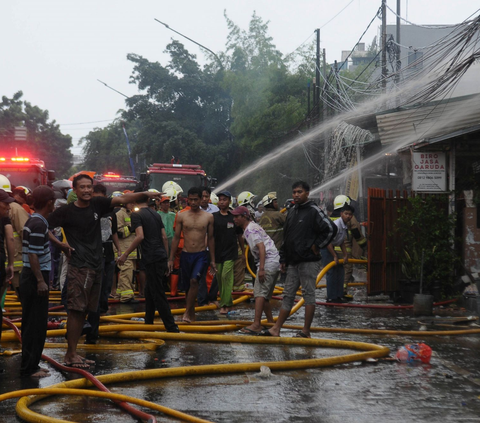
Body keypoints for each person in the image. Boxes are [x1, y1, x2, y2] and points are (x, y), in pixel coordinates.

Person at [47, 174, 161, 368]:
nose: (86, 190)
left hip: (96, 266)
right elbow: (45, 226)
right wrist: (61, 245)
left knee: (86, 311)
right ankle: (70, 354)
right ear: (74, 190)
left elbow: (123, 199)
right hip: (79, 267)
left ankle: (74, 352)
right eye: (82, 187)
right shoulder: (65, 211)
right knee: (75, 311)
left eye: (89, 187)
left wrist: (146, 193)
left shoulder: (97, 205)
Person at [259, 181, 337, 338]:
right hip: (293, 261)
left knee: (308, 295)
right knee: (288, 294)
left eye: (299, 192)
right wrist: (283, 259)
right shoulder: (292, 211)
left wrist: (317, 245)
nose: (296, 194)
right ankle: (276, 329)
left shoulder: (314, 210)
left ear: (307, 193)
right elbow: (286, 237)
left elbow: (330, 229)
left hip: (309, 261)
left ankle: (305, 331)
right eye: (294, 192)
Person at [118, 195, 179, 332]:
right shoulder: (156, 214)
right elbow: (164, 237)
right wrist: (167, 257)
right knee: (149, 290)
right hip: (159, 255)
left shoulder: (136, 215)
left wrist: (125, 254)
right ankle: (148, 321)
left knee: (158, 292)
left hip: (151, 256)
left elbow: (140, 236)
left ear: (134, 201)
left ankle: (171, 327)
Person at [19, 186, 56, 377]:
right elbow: (33, 254)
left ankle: (32, 363)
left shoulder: (36, 221)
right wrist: (41, 281)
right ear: (49, 202)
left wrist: (60, 245)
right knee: (35, 325)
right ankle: (29, 368)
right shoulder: (38, 224)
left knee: (34, 323)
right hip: (33, 279)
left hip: (31, 277)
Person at [168, 186, 216, 323]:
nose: (193, 202)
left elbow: (211, 238)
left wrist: (212, 260)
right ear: (187, 200)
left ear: (202, 199)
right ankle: (192, 314)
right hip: (185, 254)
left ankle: (187, 312)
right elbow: (176, 237)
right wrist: (171, 259)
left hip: (201, 255)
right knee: (188, 287)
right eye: (191, 200)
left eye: (196, 199)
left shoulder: (208, 217)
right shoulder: (182, 216)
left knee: (195, 281)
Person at [232, 206, 280, 334]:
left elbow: (261, 247)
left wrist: (262, 269)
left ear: (245, 217)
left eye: (237, 216)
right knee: (264, 296)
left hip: (268, 262)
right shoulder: (252, 227)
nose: (234, 219)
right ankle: (270, 322)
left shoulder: (250, 231)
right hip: (274, 261)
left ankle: (257, 324)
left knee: (259, 294)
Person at [85, 184, 121, 344]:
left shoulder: (110, 213)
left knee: (104, 292)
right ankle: (91, 331)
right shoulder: (87, 211)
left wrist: (119, 249)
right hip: (92, 258)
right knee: (93, 294)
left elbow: (113, 232)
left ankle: (97, 320)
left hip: (108, 256)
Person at [213, 191, 243, 314]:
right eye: (220, 199)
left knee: (226, 276)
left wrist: (244, 251)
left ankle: (224, 305)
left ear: (229, 201)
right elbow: (209, 236)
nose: (222, 202)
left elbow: (240, 235)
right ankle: (228, 303)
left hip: (231, 252)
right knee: (220, 278)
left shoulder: (233, 217)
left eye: (224, 199)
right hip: (217, 252)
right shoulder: (213, 217)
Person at [331, 195, 367, 295]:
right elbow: (357, 234)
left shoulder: (331, 216)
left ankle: (334, 291)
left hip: (332, 250)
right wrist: (365, 247)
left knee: (335, 271)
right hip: (345, 250)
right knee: (347, 270)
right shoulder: (349, 217)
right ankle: (343, 291)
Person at [323, 204, 354, 303]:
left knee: (340, 270)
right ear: (341, 214)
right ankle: (331, 297)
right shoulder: (336, 225)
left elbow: (341, 242)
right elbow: (328, 242)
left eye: (350, 214)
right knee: (331, 270)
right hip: (325, 247)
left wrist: (345, 255)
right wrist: (335, 256)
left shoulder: (345, 225)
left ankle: (339, 295)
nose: (348, 216)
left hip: (331, 247)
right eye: (346, 214)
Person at [0, 189, 15, 344]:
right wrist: (10, 264)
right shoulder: (5, 220)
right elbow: (10, 239)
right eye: (5, 204)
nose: (9, 208)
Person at [116, 201, 137, 303]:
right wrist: (131, 227)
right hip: (124, 249)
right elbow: (118, 232)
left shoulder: (131, 214)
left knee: (129, 272)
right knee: (126, 272)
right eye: (131, 203)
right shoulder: (119, 214)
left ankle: (121, 293)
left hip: (131, 250)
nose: (133, 204)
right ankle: (126, 297)